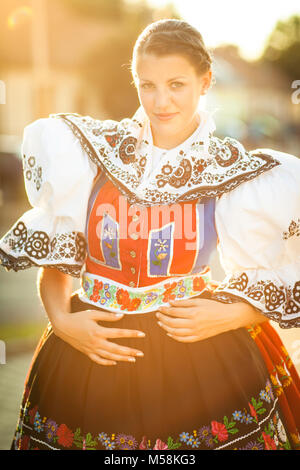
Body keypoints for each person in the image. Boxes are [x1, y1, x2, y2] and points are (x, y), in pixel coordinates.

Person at [0, 19, 299, 451]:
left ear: (205, 81)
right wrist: (63, 323)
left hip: (200, 359)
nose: (161, 101)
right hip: (90, 354)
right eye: (148, 85)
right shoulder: (91, 155)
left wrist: (231, 315)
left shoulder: (237, 174)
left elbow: (284, 280)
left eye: (176, 84)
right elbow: (57, 268)